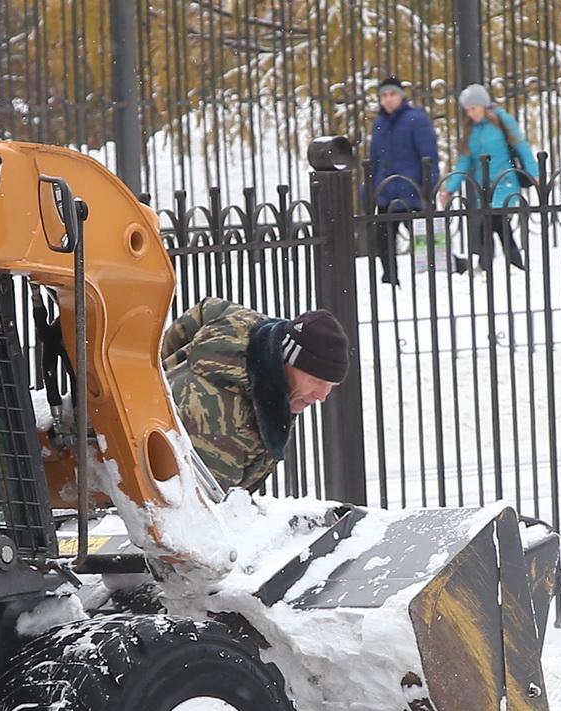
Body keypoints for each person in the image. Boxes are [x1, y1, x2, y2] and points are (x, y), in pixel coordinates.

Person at [158, 298, 352, 493]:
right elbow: (203, 510)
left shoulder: (249, 329)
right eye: (316, 381)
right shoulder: (224, 427)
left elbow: (204, 310)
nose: (322, 396)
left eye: (331, 386)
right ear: (287, 361)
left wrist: (158, 367)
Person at [439, 83, 534, 273]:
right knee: (500, 229)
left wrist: (535, 173)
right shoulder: (471, 131)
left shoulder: (502, 121)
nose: (471, 113)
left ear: (483, 105)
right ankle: (515, 267)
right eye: (468, 110)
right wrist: (450, 188)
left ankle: (485, 268)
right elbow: (464, 162)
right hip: (485, 189)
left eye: (473, 108)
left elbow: (522, 146)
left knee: (489, 226)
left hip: (505, 183)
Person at [364, 78, 440, 287]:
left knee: (427, 243)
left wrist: (429, 189)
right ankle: (390, 280)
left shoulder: (416, 119)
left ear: (401, 95)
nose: (388, 100)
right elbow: (374, 161)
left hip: (412, 193)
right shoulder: (379, 123)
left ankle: (450, 269)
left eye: (392, 94)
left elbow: (429, 158)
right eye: (384, 96)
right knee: (383, 242)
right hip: (387, 193)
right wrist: (370, 191)